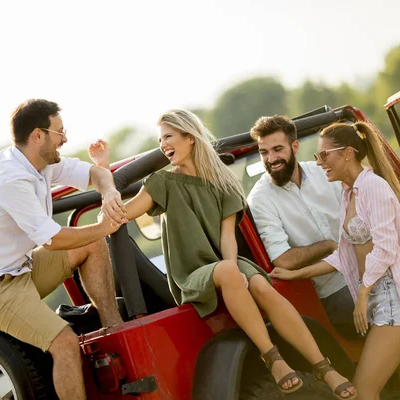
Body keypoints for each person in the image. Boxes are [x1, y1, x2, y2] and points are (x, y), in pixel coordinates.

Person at [116, 109, 356, 398]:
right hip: (192, 273)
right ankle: (273, 357)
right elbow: (123, 214)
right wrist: (105, 176)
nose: (162, 144)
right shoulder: (163, 182)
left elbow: (227, 236)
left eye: (168, 136)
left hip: (224, 265)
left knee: (259, 284)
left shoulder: (223, 182)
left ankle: (323, 367)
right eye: (160, 139)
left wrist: (232, 269)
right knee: (234, 271)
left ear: (190, 138)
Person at [0, 99, 126, 400]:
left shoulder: (41, 164)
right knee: (65, 344)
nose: (66, 139)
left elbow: (94, 175)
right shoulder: (10, 179)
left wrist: (109, 192)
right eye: (59, 132)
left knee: (93, 243)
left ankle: (115, 330)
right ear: (38, 135)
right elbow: (53, 239)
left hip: (19, 269)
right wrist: (104, 225)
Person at [270, 121, 400, 399]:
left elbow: (386, 247)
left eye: (324, 155)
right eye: (317, 157)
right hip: (382, 302)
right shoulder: (348, 193)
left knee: (363, 392)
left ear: (347, 153)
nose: (319, 163)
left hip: (396, 301)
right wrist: (296, 274)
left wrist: (364, 293)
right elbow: (344, 257)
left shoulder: (373, 187)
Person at [247, 115, 400, 338]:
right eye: (264, 152)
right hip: (334, 289)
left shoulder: (323, 171)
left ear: (294, 147)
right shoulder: (260, 199)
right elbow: (283, 260)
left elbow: (386, 197)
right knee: (394, 300)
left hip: (370, 267)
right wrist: (328, 246)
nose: (271, 159)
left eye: (277, 149)